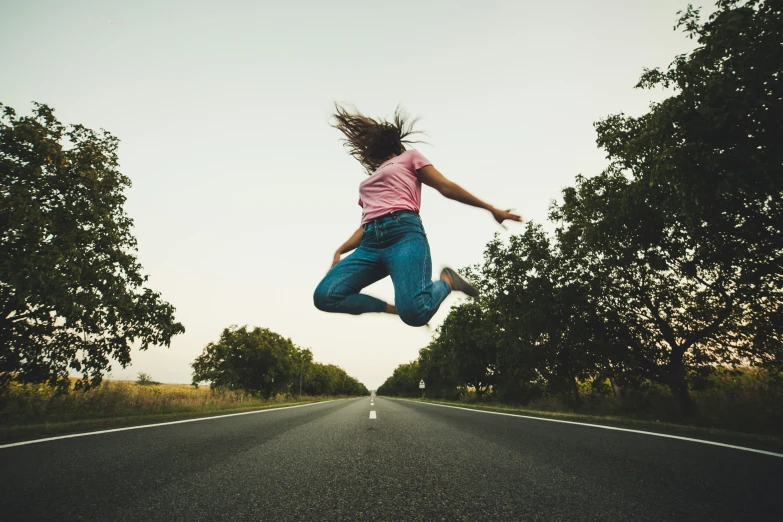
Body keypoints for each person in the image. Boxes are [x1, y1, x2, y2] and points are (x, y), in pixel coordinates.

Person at [313, 105, 521, 327]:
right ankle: (393, 310)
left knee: (415, 314)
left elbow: (445, 186)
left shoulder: (409, 158)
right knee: (325, 296)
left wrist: (491, 208)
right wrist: (340, 250)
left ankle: (447, 281)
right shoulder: (368, 183)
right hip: (370, 244)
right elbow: (364, 225)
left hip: (403, 235)